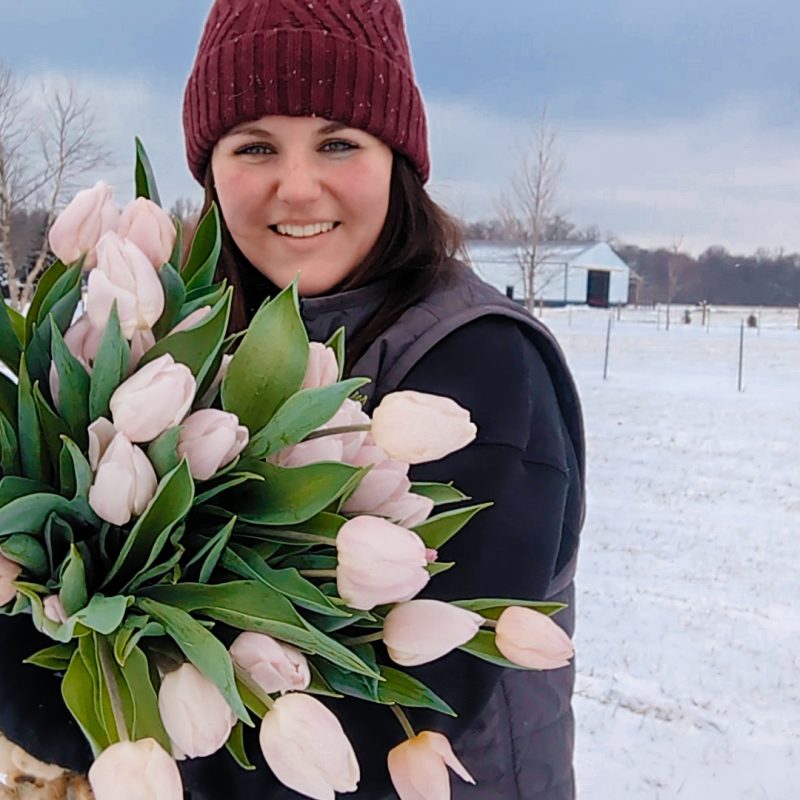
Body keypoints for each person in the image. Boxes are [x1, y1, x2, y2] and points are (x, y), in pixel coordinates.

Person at [0, 1, 585, 798]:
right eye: (256, 146)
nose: (298, 187)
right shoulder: (190, 335)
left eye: (338, 142)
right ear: (210, 169)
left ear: (399, 158)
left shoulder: (481, 362)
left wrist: (54, 705)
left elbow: (375, 727)